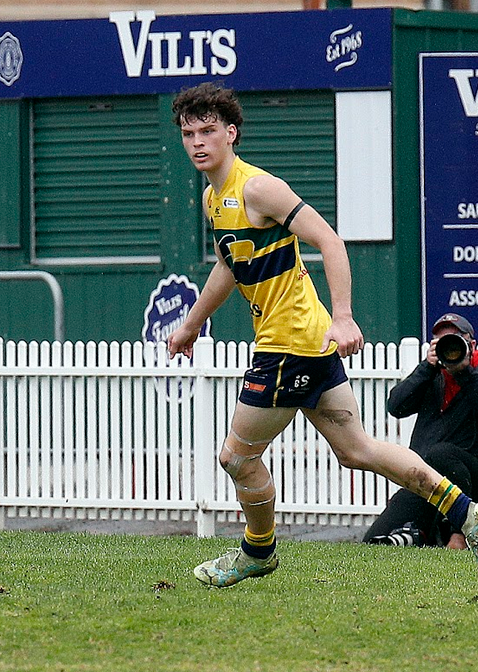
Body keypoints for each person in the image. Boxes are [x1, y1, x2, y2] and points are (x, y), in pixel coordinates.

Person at [165, 82, 478, 587]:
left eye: (208, 131)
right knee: (357, 450)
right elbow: (229, 262)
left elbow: (329, 240)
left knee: (236, 457)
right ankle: (466, 513)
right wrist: (193, 323)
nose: (198, 142)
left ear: (231, 133)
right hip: (307, 344)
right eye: (188, 133)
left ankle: (257, 552)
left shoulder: (257, 189)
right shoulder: (213, 198)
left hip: (289, 345)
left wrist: (345, 315)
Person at [364, 313, 478, 549]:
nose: (450, 347)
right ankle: (426, 534)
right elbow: (395, 406)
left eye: (456, 339)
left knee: (440, 454)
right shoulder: (431, 377)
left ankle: (461, 535)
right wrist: (427, 368)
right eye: (441, 341)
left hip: (471, 481)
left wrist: (465, 373)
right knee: (373, 541)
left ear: (472, 344)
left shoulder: (474, 379)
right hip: (428, 482)